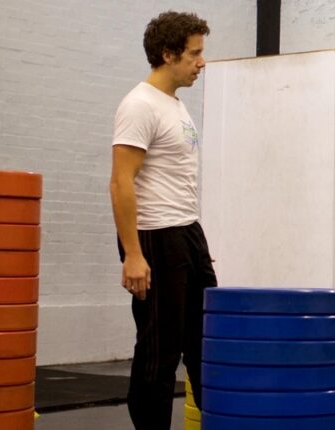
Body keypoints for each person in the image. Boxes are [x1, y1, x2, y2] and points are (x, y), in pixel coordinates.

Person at [109, 11, 216, 429]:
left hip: (187, 230)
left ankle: (219, 419)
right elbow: (120, 182)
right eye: (194, 54)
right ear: (169, 54)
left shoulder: (174, 104)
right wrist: (133, 255)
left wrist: (193, 243)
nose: (201, 62)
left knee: (204, 339)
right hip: (155, 236)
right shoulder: (139, 105)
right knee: (160, 349)